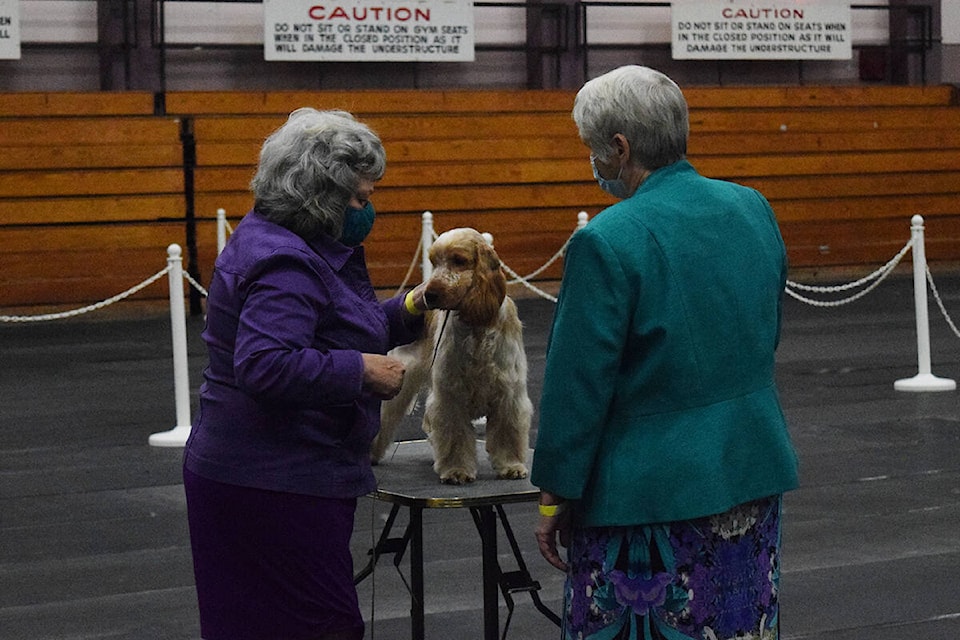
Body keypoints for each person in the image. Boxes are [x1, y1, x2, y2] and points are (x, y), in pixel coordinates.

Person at [531, 66, 799, 640]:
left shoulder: (605, 239)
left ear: (620, 148)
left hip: (648, 496)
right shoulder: (753, 207)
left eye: (592, 150)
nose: (593, 164)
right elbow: (766, 329)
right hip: (752, 469)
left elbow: (577, 387)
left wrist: (555, 493)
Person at [182, 108, 431, 640]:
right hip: (275, 482)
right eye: (361, 198)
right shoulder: (286, 263)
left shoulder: (280, 239)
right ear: (322, 196)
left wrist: (413, 305)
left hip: (249, 473)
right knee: (321, 627)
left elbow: (337, 328)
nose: (369, 209)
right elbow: (265, 364)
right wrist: (360, 372)